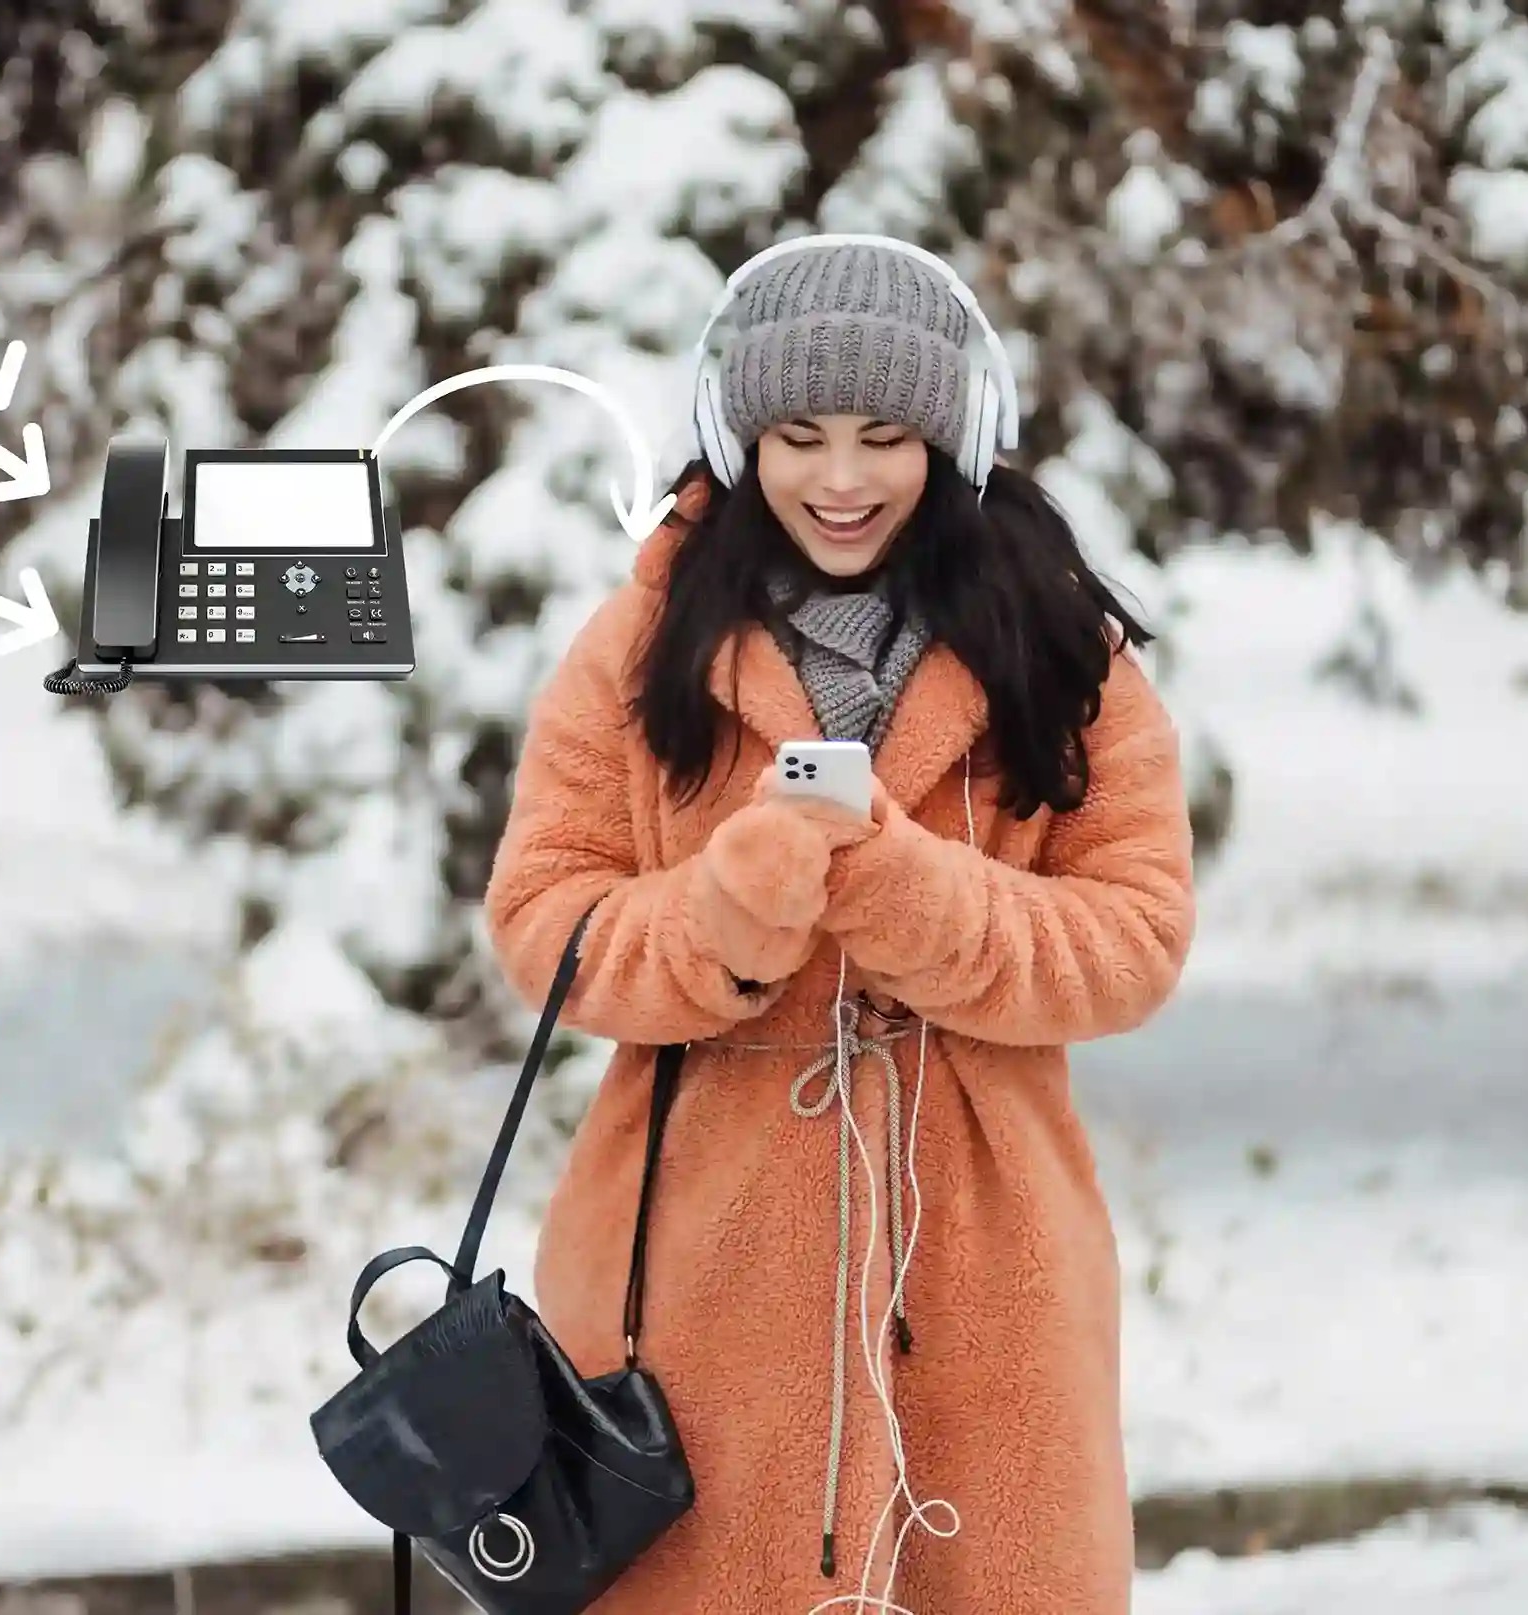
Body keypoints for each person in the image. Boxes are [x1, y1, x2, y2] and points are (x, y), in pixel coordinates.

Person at [484, 238, 1196, 1615]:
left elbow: (1132, 934)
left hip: (984, 1258)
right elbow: (542, 919)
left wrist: (908, 893)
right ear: (736, 438)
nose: (840, 477)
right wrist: (719, 913)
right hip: (690, 1264)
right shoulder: (636, 648)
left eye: (885, 435)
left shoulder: (1059, 652)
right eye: (796, 436)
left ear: (952, 435)